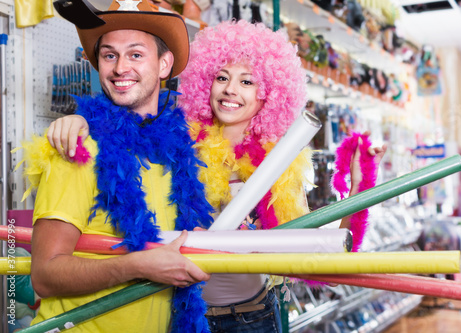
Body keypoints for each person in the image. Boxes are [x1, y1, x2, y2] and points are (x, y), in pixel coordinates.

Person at [48, 20, 387, 333]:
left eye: (247, 81)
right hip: (183, 315)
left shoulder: (279, 163)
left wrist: (360, 188)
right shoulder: (178, 138)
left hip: (254, 317)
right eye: (222, 77)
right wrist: (80, 121)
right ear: (205, 82)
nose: (230, 90)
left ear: (268, 93)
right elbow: (129, 117)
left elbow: (312, 259)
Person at [22, 0, 214, 332]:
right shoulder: (78, 147)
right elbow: (45, 275)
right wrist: (137, 266)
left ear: (164, 64)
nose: (120, 67)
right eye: (110, 55)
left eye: (136, 54)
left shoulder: (177, 154)